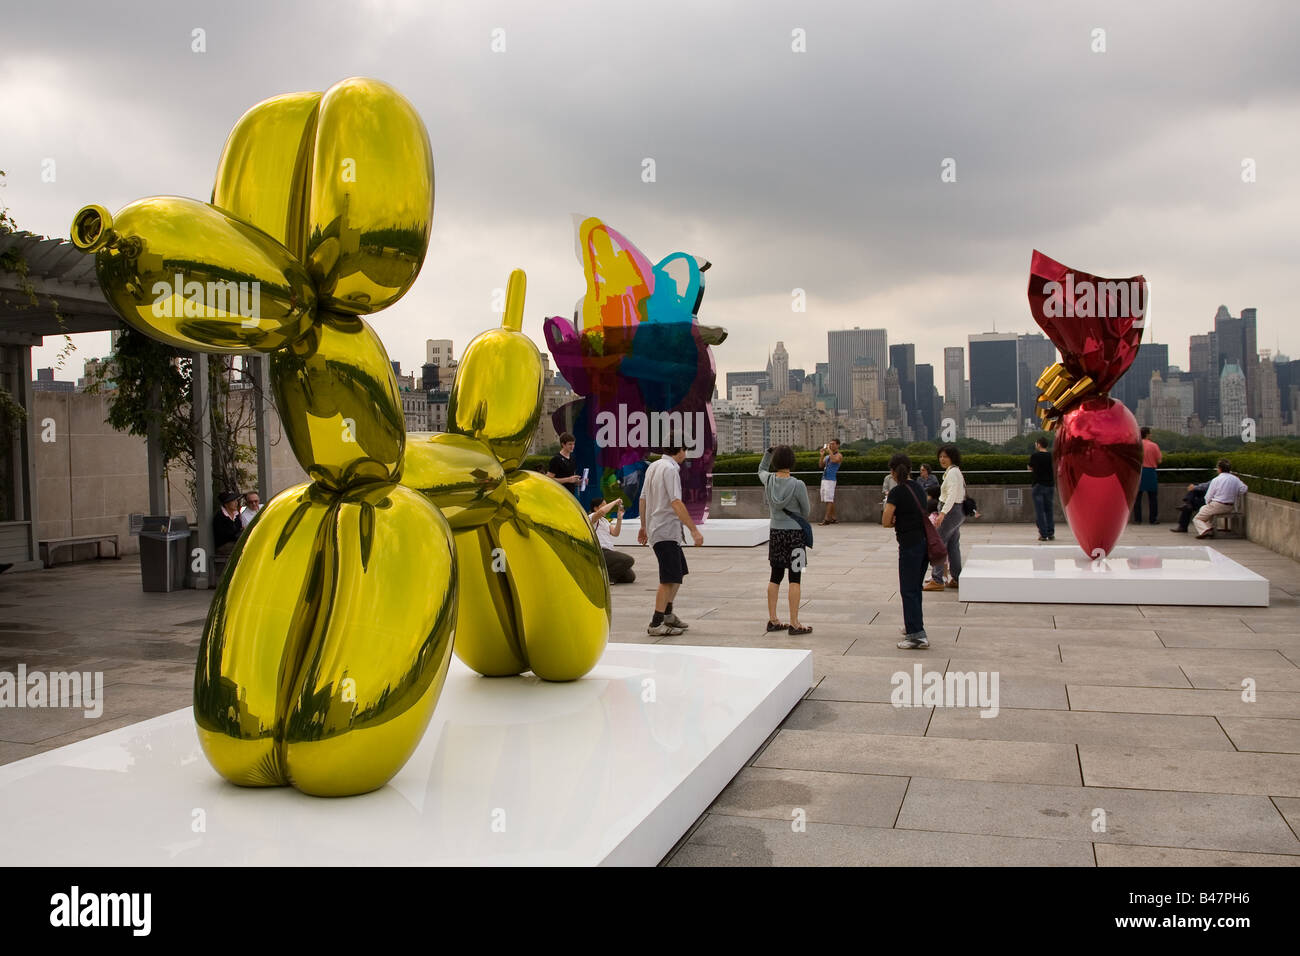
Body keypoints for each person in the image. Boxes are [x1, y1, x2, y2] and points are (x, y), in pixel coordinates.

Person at [639, 445, 703, 636]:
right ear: (680, 450)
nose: (686, 455)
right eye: (686, 450)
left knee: (678, 572)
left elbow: (643, 498)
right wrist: (694, 530)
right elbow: (676, 502)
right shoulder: (671, 469)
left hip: (660, 530)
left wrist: (643, 525)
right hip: (665, 530)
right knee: (668, 579)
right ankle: (656, 623)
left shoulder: (654, 466)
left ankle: (667, 615)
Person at [760, 445, 813, 635]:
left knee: (775, 576)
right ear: (792, 462)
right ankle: (794, 623)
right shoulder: (798, 485)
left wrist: (768, 453)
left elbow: (761, 470)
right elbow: (806, 511)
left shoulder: (768, 481)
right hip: (796, 536)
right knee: (795, 577)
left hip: (776, 534)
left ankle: (773, 620)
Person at [882, 453, 929, 649]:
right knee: (915, 589)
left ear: (893, 472)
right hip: (924, 543)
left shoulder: (897, 492)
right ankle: (914, 626)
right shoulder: (919, 488)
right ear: (910, 469)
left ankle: (916, 635)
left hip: (909, 545)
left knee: (908, 590)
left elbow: (885, 520)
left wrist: (894, 519)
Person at [925, 444, 966, 591]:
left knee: (939, 543)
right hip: (956, 511)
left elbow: (952, 495)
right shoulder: (953, 471)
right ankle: (956, 577)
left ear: (952, 458)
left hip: (950, 511)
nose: (942, 459)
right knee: (953, 545)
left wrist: (942, 513)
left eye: (945, 456)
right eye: (940, 456)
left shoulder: (953, 473)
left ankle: (937, 580)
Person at [1192, 459, 1248, 539]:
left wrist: (1208, 503)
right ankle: (1208, 528)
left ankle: (1206, 530)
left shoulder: (1216, 480)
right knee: (1204, 510)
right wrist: (1235, 493)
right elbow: (1244, 488)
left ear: (1219, 469)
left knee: (1197, 518)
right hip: (1230, 506)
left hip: (1217, 504)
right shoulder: (1235, 479)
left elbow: (1208, 496)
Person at [589, 497, 635, 583]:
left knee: (630, 577)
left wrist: (619, 518)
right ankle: (608, 578)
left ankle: (604, 573)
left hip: (609, 552)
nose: (607, 508)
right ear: (596, 508)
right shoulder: (592, 517)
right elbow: (602, 511)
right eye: (603, 505)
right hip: (600, 551)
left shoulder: (605, 521)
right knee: (629, 560)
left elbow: (615, 533)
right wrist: (615, 502)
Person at [1027, 437, 1055, 541]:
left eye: (1036, 443)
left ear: (1039, 444)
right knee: (1049, 510)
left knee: (1040, 511)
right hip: (1050, 485)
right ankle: (1050, 532)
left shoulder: (1035, 456)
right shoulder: (1051, 456)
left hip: (1038, 485)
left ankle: (1043, 534)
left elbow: (1030, 467)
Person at [1133, 427, 1162, 524]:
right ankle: (1153, 519)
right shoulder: (1154, 446)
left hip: (1138, 473)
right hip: (1150, 472)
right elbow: (1159, 460)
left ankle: (1138, 519)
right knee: (1153, 498)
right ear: (1148, 434)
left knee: (1137, 498)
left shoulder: (1136, 445)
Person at [818, 439, 842, 525]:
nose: (831, 446)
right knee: (828, 499)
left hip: (831, 480)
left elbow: (834, 460)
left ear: (838, 445)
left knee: (829, 499)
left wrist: (829, 451)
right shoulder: (827, 456)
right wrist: (822, 455)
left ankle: (826, 519)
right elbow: (820, 465)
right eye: (830, 444)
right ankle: (833, 518)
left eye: (833, 444)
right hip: (824, 478)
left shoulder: (839, 455)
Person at [213, 492, 243, 557]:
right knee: (244, 548)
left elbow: (239, 528)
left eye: (236, 500)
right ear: (226, 504)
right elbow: (223, 535)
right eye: (233, 501)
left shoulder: (236, 515)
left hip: (235, 542)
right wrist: (238, 533)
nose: (236, 503)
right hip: (224, 545)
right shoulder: (220, 517)